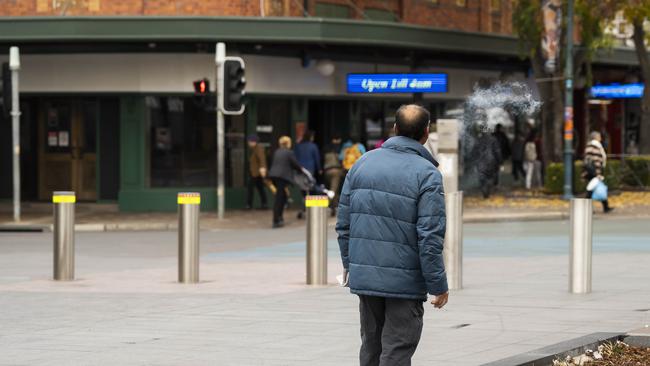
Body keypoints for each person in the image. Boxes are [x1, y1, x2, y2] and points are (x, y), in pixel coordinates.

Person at [336, 104, 448, 366]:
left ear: (394, 129)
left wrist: (352, 267)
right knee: (397, 351)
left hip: (367, 278)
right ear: (426, 133)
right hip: (405, 283)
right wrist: (438, 285)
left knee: (371, 349)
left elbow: (343, 226)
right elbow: (429, 236)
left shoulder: (361, 164)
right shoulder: (428, 174)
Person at [268, 136, 303, 228]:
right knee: (279, 198)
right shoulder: (289, 152)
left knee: (282, 196)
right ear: (288, 143)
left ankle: (280, 217)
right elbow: (295, 164)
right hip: (282, 177)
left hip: (274, 176)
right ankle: (276, 219)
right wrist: (301, 170)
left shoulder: (277, 151)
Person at [583, 131, 614, 213]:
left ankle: (605, 207)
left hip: (594, 171)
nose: (600, 138)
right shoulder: (593, 146)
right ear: (595, 137)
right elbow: (593, 159)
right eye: (599, 136)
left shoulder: (596, 145)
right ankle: (604, 207)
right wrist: (597, 173)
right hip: (593, 171)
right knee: (590, 189)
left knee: (593, 188)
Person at [294, 130, 322, 219]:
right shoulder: (313, 146)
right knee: (310, 189)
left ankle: (304, 208)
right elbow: (316, 158)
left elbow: (295, 157)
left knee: (303, 189)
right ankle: (308, 209)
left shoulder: (298, 146)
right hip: (309, 170)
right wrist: (319, 169)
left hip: (300, 169)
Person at [470, 130, 502, 199]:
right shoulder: (493, 139)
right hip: (491, 161)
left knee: (482, 177)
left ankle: (484, 190)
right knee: (490, 176)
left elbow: (473, 152)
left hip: (480, 162)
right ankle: (488, 187)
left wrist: (474, 161)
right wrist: (500, 161)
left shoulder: (478, 140)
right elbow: (497, 151)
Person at [323, 135, 344, 217]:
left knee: (332, 189)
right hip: (336, 170)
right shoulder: (339, 149)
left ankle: (333, 207)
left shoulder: (326, 148)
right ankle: (324, 205)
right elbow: (342, 159)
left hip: (327, 171)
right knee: (333, 190)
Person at [245, 135, 268, 210]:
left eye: (250, 141)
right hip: (255, 172)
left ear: (253, 142)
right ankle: (264, 204)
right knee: (260, 188)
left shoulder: (258, 149)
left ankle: (249, 205)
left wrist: (263, 168)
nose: (248, 143)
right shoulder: (253, 149)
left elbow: (262, 159)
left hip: (256, 173)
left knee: (251, 188)